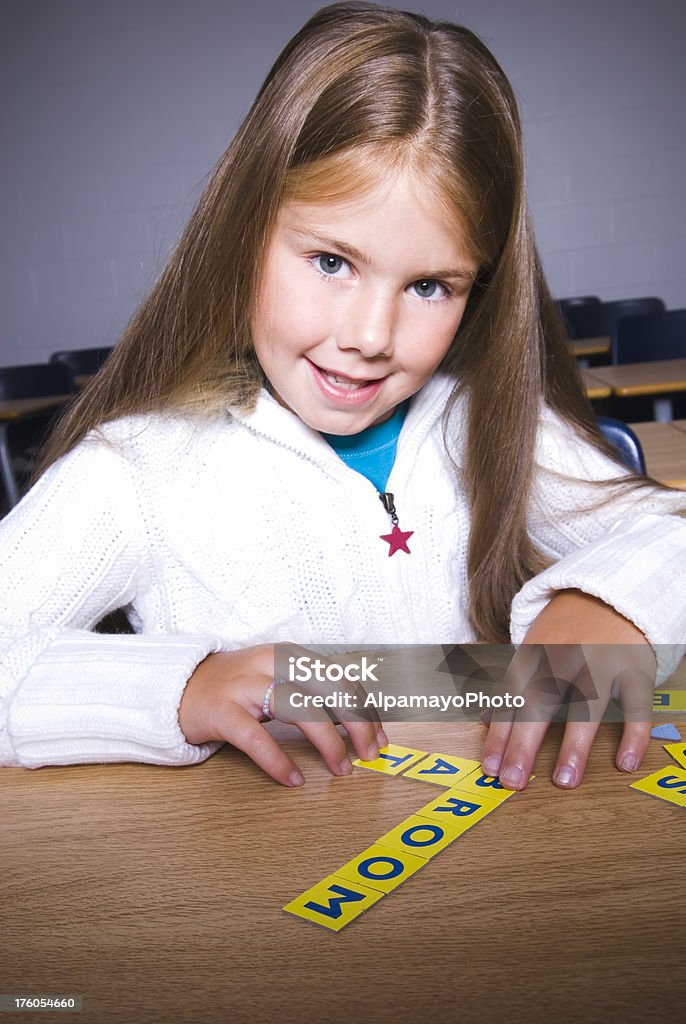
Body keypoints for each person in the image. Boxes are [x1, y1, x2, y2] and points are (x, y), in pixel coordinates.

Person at [1, 1, 684, 789]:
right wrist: (179, 686)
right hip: (254, 884)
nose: (369, 334)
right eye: (331, 262)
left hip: (493, 875)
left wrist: (614, 604)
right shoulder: (135, 470)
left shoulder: (489, 421)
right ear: (244, 230)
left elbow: (669, 531)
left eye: (429, 284)